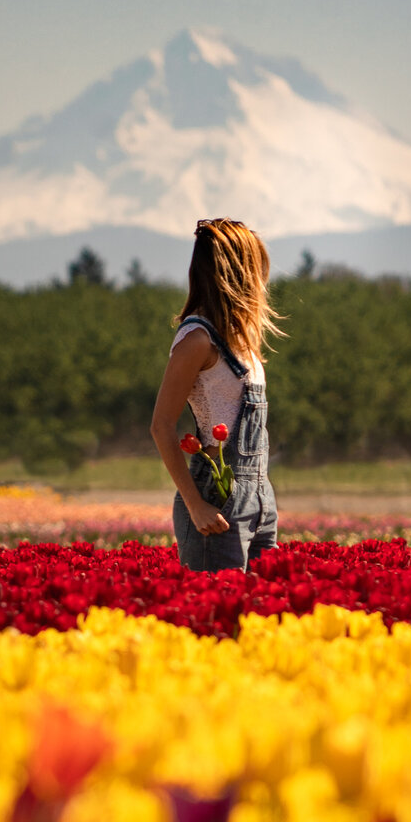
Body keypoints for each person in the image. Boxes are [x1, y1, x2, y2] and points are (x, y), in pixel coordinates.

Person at [150, 218, 281, 572]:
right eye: (256, 268)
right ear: (237, 271)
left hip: (258, 496)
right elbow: (161, 425)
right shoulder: (196, 339)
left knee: (259, 614)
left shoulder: (243, 342)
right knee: (218, 613)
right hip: (215, 498)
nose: (262, 280)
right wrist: (195, 505)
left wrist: (262, 499)